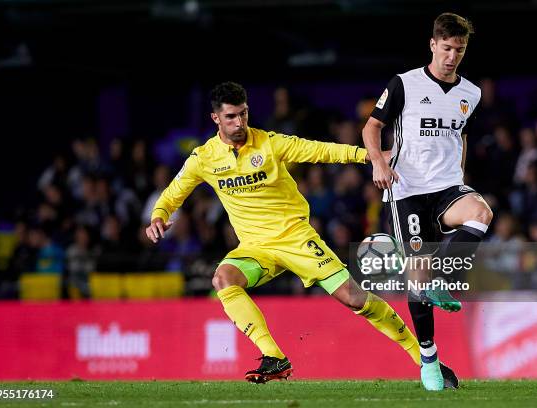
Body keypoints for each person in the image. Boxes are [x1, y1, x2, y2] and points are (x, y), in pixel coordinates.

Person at [146, 81, 457, 387]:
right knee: (223, 279)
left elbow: (319, 150)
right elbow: (174, 192)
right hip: (255, 247)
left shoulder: (269, 143)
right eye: (231, 117)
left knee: (353, 298)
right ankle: (273, 356)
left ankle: (423, 358)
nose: (239, 122)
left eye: (243, 114)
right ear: (216, 118)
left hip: (296, 238)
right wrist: (159, 215)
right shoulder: (204, 158)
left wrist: (369, 156)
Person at [362, 13, 493, 390]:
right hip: (407, 191)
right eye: (447, 48)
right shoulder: (404, 83)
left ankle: (446, 278)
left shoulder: (472, 93)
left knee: (481, 213)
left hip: (448, 187)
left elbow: (461, 133)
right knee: (416, 274)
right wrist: (378, 162)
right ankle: (429, 359)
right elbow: (372, 126)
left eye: (460, 49)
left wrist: (461, 173)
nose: (452, 56)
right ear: (433, 45)